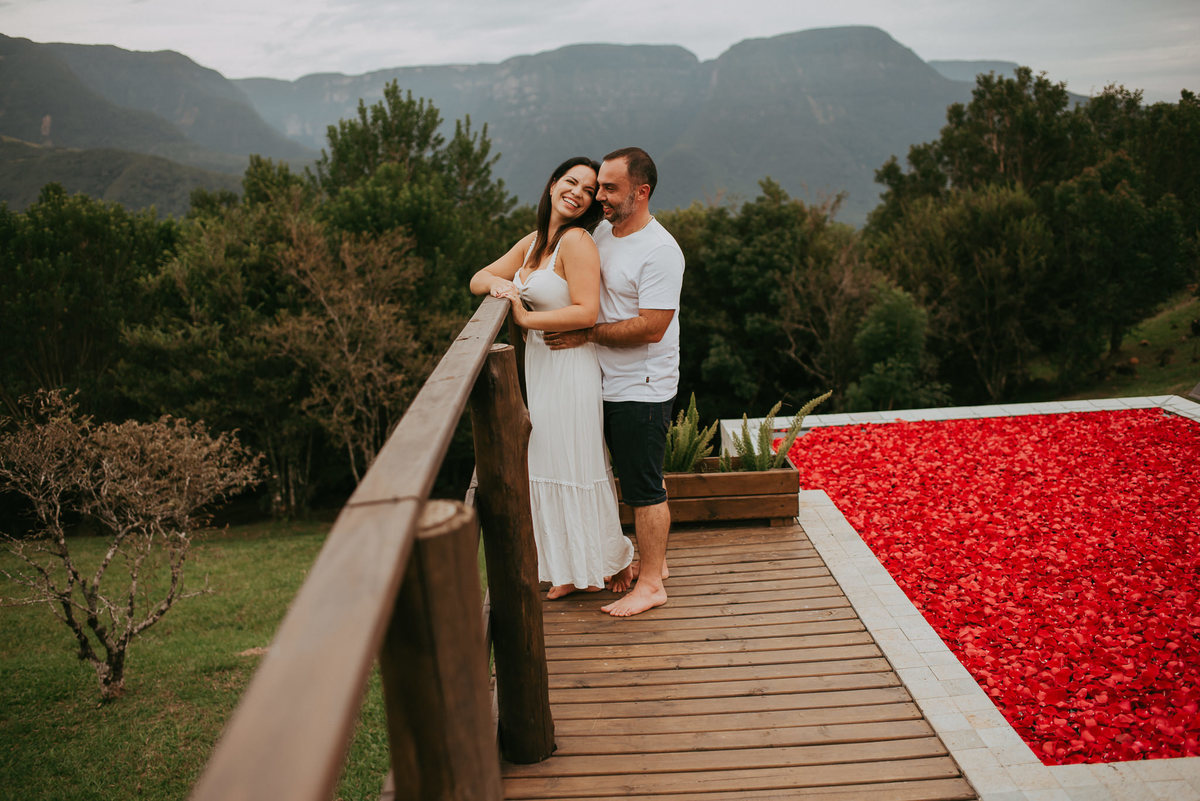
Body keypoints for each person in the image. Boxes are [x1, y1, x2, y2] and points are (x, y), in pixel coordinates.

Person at [469, 156, 634, 599]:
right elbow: (477, 277)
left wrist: (524, 318)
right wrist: (500, 287)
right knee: (545, 461)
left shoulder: (577, 241)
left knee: (573, 460)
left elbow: (586, 310)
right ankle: (566, 567)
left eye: (588, 189)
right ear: (552, 184)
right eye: (570, 181)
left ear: (590, 204)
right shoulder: (534, 242)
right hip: (542, 367)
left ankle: (610, 559)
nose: (578, 192)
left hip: (570, 367)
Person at [544, 147, 685, 617]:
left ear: (641, 193)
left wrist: (585, 333)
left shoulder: (661, 251)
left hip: (641, 387)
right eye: (598, 186)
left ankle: (650, 584)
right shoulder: (603, 231)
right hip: (601, 381)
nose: (598, 197)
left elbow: (651, 326)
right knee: (615, 475)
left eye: (609, 188)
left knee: (644, 487)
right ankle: (643, 563)